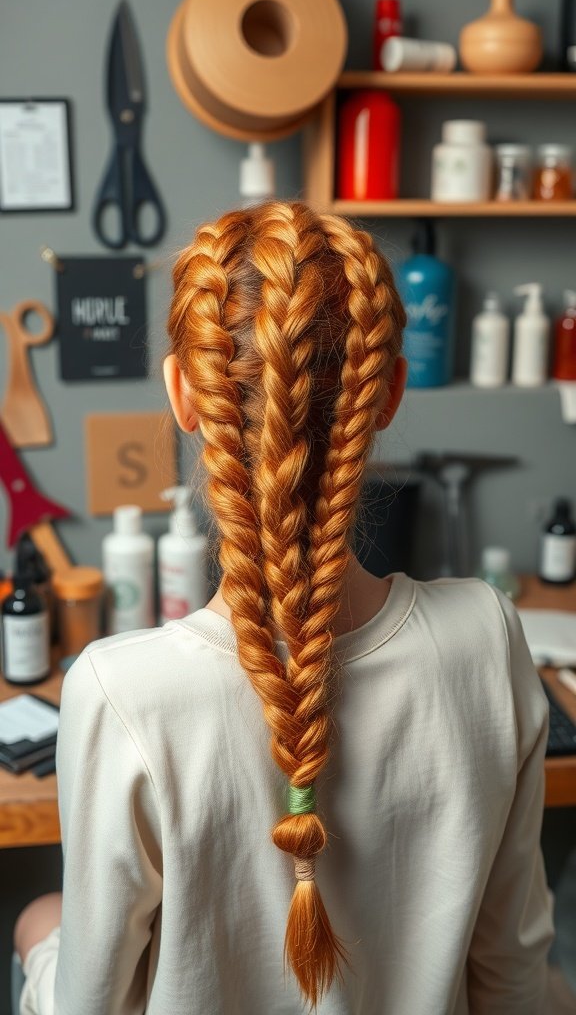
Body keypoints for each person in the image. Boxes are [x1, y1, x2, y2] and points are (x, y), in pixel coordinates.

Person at [13, 201, 554, 1014]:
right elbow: (514, 976)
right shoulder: (489, 636)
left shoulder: (123, 692)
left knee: (36, 914)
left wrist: (39, 947)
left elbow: (92, 1005)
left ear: (183, 396)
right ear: (390, 393)